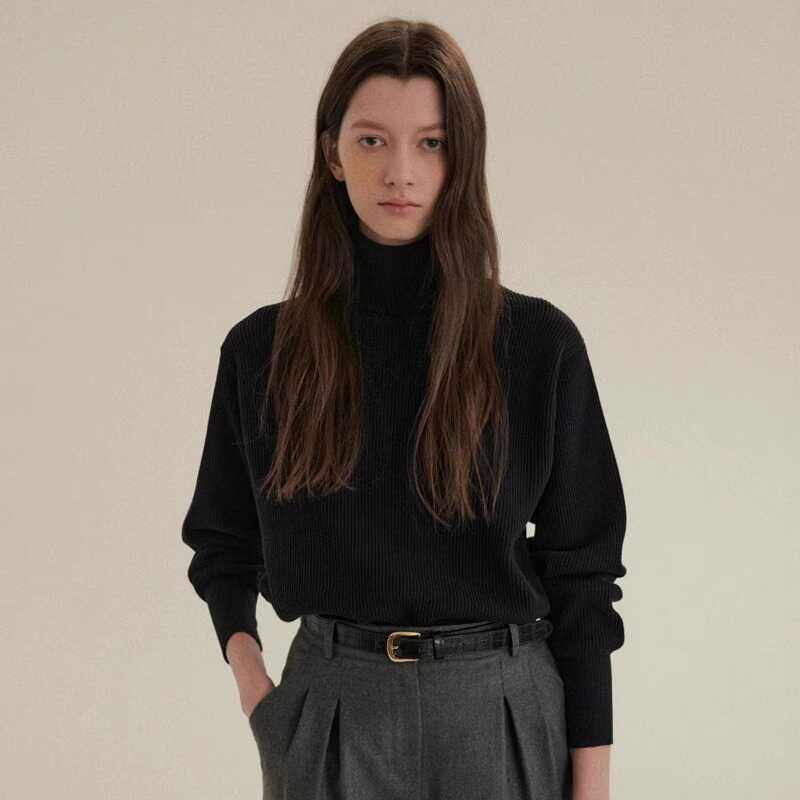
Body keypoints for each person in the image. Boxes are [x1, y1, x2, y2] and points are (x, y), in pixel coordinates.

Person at [181, 18, 627, 800]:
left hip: (501, 709)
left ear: (464, 157)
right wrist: (256, 686)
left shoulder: (538, 345)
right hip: (331, 707)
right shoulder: (262, 352)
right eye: (371, 141)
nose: (400, 172)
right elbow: (222, 541)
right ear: (332, 154)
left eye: (431, 143)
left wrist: (591, 789)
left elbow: (583, 577)